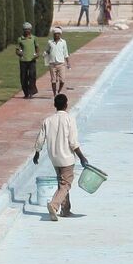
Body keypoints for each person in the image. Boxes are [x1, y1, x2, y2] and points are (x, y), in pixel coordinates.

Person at [32, 93, 88, 221]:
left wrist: (37, 153)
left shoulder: (48, 120)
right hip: (67, 158)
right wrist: (82, 157)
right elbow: (73, 142)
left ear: (55, 105)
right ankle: (54, 205)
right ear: (66, 104)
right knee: (66, 184)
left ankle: (66, 210)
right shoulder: (69, 119)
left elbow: (41, 139)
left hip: (54, 158)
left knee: (61, 183)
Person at [45, 26, 71, 95]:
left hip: (61, 64)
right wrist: (45, 54)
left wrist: (68, 62)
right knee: (53, 80)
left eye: (58, 34)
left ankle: (59, 90)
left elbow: (66, 53)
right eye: (56, 34)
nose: (57, 35)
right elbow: (47, 50)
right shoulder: (50, 42)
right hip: (52, 64)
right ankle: (54, 94)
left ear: (60, 34)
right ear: (53, 34)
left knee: (62, 80)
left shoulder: (63, 42)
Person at [16, 23, 40, 98]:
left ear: (30, 30)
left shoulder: (33, 38)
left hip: (32, 60)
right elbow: (17, 49)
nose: (27, 31)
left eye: (28, 29)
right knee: (24, 77)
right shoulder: (20, 39)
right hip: (23, 60)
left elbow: (37, 48)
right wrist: (19, 53)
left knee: (32, 75)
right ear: (23, 30)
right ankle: (26, 92)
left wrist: (37, 54)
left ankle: (31, 91)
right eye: (25, 29)